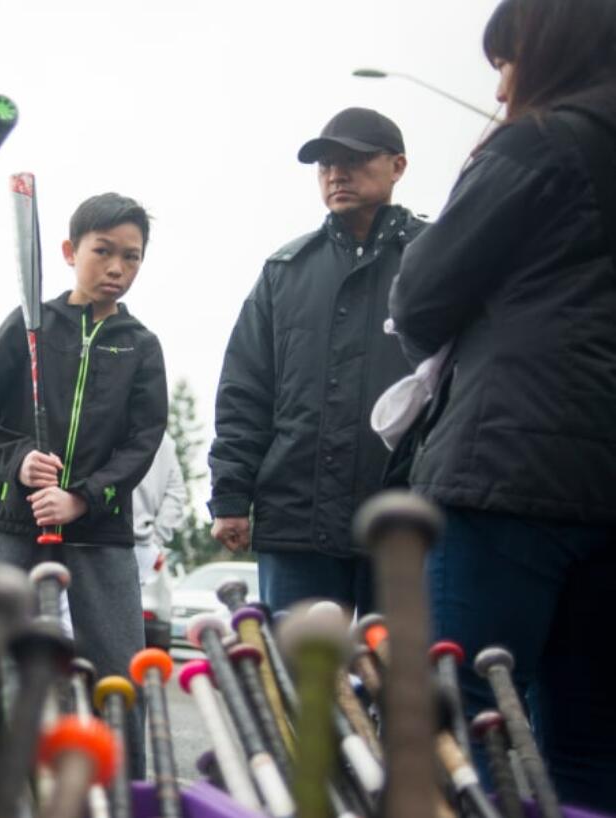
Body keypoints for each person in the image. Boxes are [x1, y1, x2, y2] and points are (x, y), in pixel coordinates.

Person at [389, 0, 616, 808]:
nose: (500, 82)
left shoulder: (537, 144)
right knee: (590, 737)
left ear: (549, 46)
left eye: (506, 58)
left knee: (462, 718)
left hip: (505, 473)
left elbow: (418, 297)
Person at [0, 192, 167, 778]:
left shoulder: (141, 346)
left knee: (117, 674)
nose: (118, 269)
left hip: (99, 530)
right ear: (71, 251)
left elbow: (142, 442)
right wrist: (18, 460)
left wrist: (84, 496)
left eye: (132, 257)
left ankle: (126, 792)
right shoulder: (32, 324)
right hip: (18, 526)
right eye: (103, 252)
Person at [207, 107, 426, 615]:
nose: (336, 173)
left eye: (354, 158)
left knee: (401, 687)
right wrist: (231, 496)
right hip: (296, 521)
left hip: (404, 519)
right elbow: (245, 390)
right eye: (325, 163)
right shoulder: (285, 271)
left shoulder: (432, 258)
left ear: (398, 166)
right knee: (298, 686)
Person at [132, 431, 187, 584]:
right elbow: (176, 493)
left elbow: (176, 493)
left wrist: (155, 540)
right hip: (144, 545)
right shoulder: (164, 439)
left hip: (100, 540)